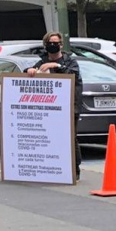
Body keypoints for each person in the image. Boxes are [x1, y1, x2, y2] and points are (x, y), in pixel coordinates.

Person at [26, 32, 83, 180]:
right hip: (50, 110)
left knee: (70, 137)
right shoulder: (41, 62)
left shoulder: (70, 62)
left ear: (61, 45)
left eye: (56, 43)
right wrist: (29, 71)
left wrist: (56, 65)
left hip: (70, 107)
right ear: (45, 45)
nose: (53, 46)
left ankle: (74, 170)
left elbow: (73, 74)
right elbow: (30, 74)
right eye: (50, 43)